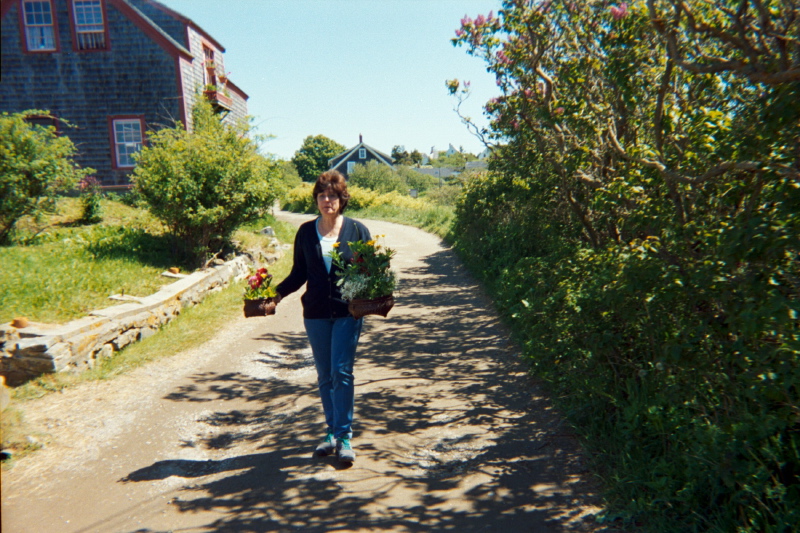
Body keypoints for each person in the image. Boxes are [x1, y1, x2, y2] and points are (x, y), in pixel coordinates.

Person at [271, 170, 371, 464]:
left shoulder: (357, 231)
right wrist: (275, 294)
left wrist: (372, 293)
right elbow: (298, 273)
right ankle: (330, 433)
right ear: (316, 199)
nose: (327, 200)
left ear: (342, 199)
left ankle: (343, 437)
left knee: (341, 372)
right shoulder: (305, 232)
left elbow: (371, 272)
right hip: (314, 313)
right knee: (325, 374)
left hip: (347, 312)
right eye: (322, 195)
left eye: (333, 196)